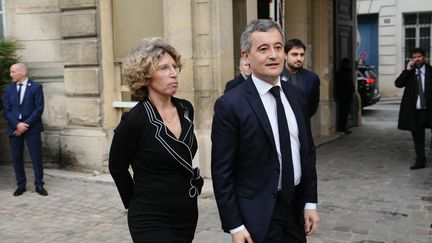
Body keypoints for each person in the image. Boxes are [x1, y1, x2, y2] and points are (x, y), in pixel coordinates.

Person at [211, 19, 319, 243]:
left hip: (295, 209)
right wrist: (235, 226)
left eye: (278, 47)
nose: (274, 55)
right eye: (263, 49)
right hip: (257, 216)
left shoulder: (296, 96)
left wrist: (310, 202)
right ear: (246, 57)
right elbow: (222, 173)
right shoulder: (230, 104)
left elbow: (307, 152)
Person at [109, 37, 204, 242]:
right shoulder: (134, 121)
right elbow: (117, 167)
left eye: (174, 67)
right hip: (150, 218)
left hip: (186, 214)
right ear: (145, 76)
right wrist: (133, 202)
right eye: (163, 68)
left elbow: (183, 156)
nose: (173, 73)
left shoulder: (186, 109)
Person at [3, 63, 47, 196]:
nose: (11, 75)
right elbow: (6, 109)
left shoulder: (35, 87)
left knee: (36, 158)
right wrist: (17, 125)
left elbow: (39, 108)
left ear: (22, 72)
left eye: (13, 72)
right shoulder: (8, 89)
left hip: (32, 128)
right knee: (17, 158)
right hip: (14, 128)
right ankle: (21, 185)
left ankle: (39, 185)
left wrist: (25, 125)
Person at [395, 47, 432, 170]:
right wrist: (407, 70)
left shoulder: (430, 71)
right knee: (418, 137)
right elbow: (398, 84)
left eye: (419, 56)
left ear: (424, 57)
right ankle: (420, 160)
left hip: (430, 110)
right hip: (416, 112)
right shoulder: (409, 73)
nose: (417, 59)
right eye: (414, 57)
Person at [281, 38, 320, 117]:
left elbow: (313, 106)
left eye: (302, 55)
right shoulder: (275, 76)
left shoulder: (312, 78)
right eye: (294, 54)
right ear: (285, 56)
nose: (299, 58)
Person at [334, 57, 355, 134]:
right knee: (343, 113)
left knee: (345, 113)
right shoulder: (341, 73)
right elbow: (340, 85)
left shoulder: (347, 72)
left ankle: (344, 127)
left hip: (347, 96)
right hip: (343, 96)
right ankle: (341, 128)